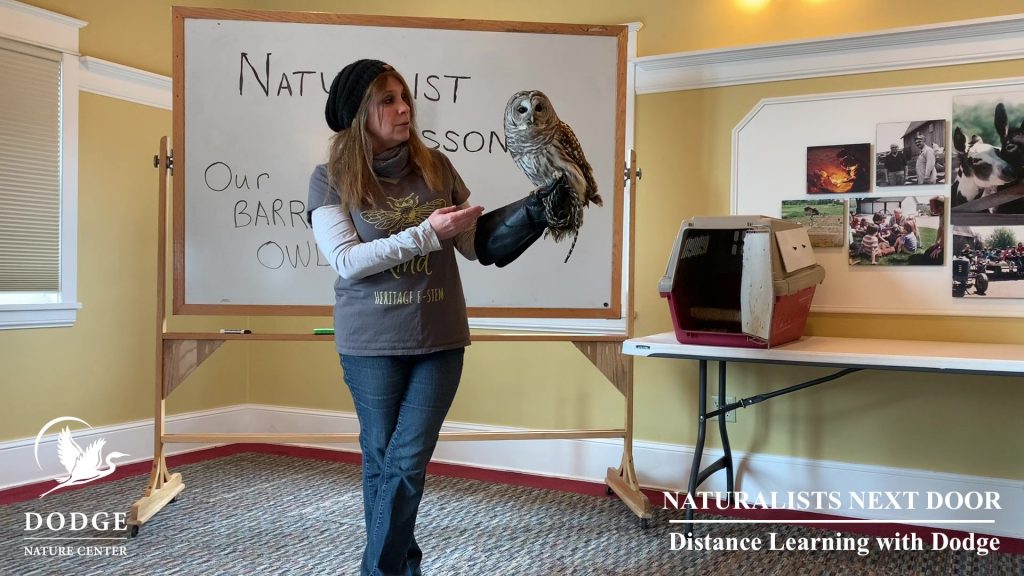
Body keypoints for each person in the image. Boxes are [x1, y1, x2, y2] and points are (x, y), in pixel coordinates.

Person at [307, 59, 570, 576]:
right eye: (388, 100)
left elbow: (476, 244)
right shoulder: (329, 179)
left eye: (405, 96)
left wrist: (536, 211)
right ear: (359, 113)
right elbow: (347, 261)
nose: (404, 108)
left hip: (440, 337)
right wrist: (428, 233)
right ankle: (402, 565)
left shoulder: (437, 166)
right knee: (384, 462)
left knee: (404, 462)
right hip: (369, 343)